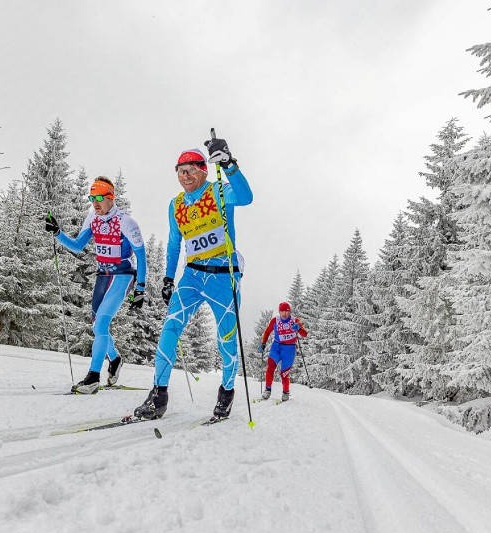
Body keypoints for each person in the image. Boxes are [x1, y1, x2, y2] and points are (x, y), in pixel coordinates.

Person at [134, 136, 253, 420]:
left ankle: (226, 393)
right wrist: (166, 278)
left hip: (224, 276)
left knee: (226, 338)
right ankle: (158, 395)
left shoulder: (219, 191)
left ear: (204, 170)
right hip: (192, 275)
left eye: (191, 170)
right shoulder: (175, 204)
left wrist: (230, 164)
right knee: (170, 328)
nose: (185, 176)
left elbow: (247, 197)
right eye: (180, 171)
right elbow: (174, 243)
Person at [45, 176, 147, 394]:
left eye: (100, 197)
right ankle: (116, 359)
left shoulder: (126, 222)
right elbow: (78, 245)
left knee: (101, 325)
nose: (95, 202)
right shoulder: (92, 218)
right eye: (92, 198)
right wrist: (57, 233)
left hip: (122, 275)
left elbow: (141, 255)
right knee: (96, 325)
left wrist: (140, 287)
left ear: (111, 198)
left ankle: (93, 378)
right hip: (103, 276)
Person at [259, 301, 307, 402]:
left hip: (289, 350)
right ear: (279, 312)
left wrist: (298, 328)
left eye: (286, 312)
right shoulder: (275, 321)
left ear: (289, 312)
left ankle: (285, 392)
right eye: (282, 312)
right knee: (270, 368)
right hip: (276, 347)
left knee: (284, 373)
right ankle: (267, 390)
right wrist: (263, 343)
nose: (284, 314)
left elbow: (304, 334)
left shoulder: (295, 321)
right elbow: (267, 332)